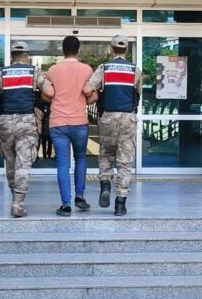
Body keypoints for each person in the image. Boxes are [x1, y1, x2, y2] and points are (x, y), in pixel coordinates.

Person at [0, 41, 54, 217]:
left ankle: (15, 195)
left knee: (11, 162)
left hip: (6, 121)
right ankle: (18, 204)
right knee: (23, 163)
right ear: (26, 56)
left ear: (12, 57)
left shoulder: (2, 73)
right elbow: (50, 93)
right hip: (26, 121)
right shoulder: (34, 72)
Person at [83, 35, 143, 216]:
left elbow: (87, 89)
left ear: (111, 49)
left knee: (106, 154)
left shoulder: (104, 68)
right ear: (127, 50)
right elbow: (138, 93)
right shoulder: (135, 70)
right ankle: (120, 204)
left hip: (108, 117)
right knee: (125, 161)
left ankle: (105, 186)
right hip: (128, 118)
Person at [46, 36, 96, 216]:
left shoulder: (52, 70)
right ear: (78, 50)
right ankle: (79, 197)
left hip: (58, 122)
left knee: (63, 163)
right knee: (81, 158)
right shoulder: (87, 69)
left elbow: (47, 94)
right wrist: (81, 101)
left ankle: (66, 205)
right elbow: (93, 96)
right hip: (79, 122)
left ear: (62, 50)